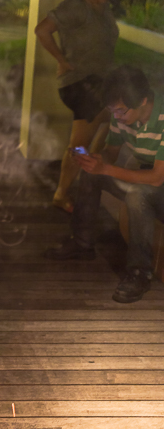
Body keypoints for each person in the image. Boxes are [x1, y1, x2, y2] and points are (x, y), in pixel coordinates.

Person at [46, 66, 164, 303]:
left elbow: (156, 178)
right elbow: (111, 153)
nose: (116, 117)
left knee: (137, 195)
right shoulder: (122, 115)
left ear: (142, 100)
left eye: (120, 111)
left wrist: (107, 168)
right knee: (92, 174)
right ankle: (82, 243)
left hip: (157, 182)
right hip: (146, 177)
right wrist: (96, 161)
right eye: (112, 111)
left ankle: (139, 273)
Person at [35, 0, 119, 213]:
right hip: (80, 83)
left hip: (99, 83)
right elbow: (42, 30)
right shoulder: (76, 5)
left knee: (113, 122)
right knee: (80, 142)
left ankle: (87, 176)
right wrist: (61, 59)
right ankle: (62, 192)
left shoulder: (103, 10)